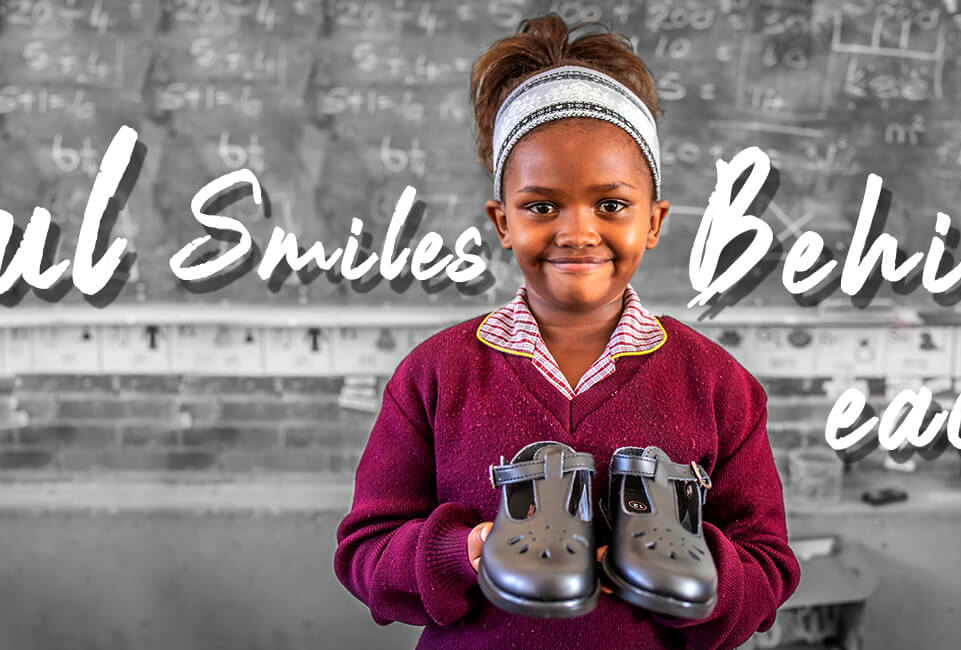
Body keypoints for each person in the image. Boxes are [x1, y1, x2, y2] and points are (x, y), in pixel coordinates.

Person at [333, 14, 800, 649]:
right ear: (502, 220)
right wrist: (467, 550)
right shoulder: (436, 376)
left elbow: (769, 566)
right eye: (541, 205)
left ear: (655, 220)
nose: (577, 232)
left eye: (610, 204)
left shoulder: (718, 385)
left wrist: (692, 567)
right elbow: (365, 553)